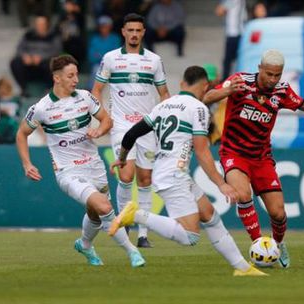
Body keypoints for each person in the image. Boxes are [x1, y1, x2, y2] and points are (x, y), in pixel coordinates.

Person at [203, 49, 304, 268]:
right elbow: (207, 97)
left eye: (276, 75)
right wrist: (227, 90)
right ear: (260, 68)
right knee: (243, 194)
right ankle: (261, 245)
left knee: (278, 214)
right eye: (268, 74)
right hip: (234, 153)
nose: (272, 79)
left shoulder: (282, 91)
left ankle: (278, 245)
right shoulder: (240, 82)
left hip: (261, 158)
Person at [108, 66, 266, 276]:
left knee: (210, 216)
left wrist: (121, 158)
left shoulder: (163, 105)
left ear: (183, 83)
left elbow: (131, 134)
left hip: (170, 172)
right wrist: (222, 183)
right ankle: (136, 215)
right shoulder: (198, 108)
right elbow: (202, 152)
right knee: (190, 236)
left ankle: (243, 268)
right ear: (205, 86)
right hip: (173, 175)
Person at [15, 55, 146, 267]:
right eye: (70, 75)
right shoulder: (42, 108)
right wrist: (27, 164)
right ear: (57, 78)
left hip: (94, 165)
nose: (76, 79)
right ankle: (133, 253)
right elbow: (21, 134)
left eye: (76, 74)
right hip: (68, 172)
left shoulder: (85, 97)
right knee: (104, 206)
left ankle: (84, 245)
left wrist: (99, 130)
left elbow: (107, 120)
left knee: (95, 214)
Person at [92, 13, 171, 248]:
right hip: (122, 126)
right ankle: (125, 221)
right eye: (130, 30)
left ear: (144, 32)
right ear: (123, 32)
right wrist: (104, 119)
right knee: (126, 176)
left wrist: (163, 118)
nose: (134, 34)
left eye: (138, 30)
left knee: (145, 179)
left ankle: (143, 234)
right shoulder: (111, 59)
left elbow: (164, 94)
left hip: (147, 127)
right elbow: (96, 90)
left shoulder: (154, 61)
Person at [10, 15, 62, 97]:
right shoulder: (28, 35)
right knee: (15, 62)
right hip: (29, 64)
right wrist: (25, 56)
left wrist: (41, 58)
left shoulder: (54, 35)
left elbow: (56, 51)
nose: (40, 26)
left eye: (42, 24)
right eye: (38, 24)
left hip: (45, 64)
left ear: (47, 24)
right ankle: (24, 89)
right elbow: (19, 49)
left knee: (51, 63)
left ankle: (49, 89)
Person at [87, 16, 122, 89]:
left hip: (113, 66)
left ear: (110, 27)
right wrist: (105, 56)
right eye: (102, 26)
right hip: (98, 65)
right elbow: (91, 57)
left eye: (106, 26)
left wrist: (100, 55)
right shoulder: (94, 39)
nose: (104, 28)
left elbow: (116, 56)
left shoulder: (115, 38)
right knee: (96, 69)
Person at [215, 0, 247, 80]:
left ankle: (226, 81)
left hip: (235, 34)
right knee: (232, 59)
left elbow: (219, 11)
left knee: (228, 60)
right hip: (237, 33)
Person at [0, 77, 21, 143]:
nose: (3, 90)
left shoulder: (15, 101)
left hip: (10, 123)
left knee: (11, 123)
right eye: (1, 88)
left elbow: (15, 115)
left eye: (5, 88)